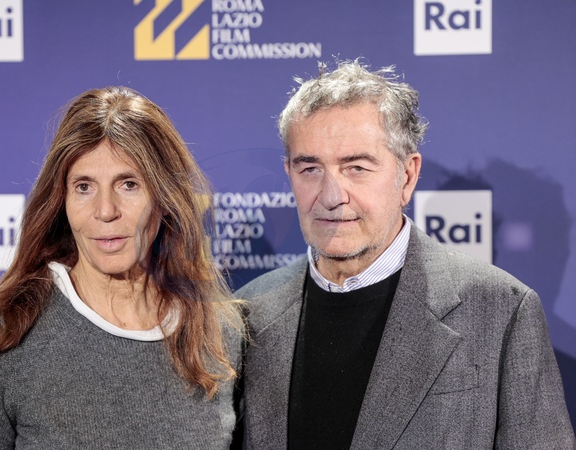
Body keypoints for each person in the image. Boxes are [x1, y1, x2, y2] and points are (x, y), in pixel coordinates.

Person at [235, 60, 576, 449]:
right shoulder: (247, 315)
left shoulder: (500, 311)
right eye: (310, 169)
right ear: (289, 174)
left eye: (356, 168)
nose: (331, 196)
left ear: (407, 176)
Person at [0, 86, 245, 449]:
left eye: (128, 184)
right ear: (61, 200)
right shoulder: (8, 336)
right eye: (84, 187)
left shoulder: (219, 334)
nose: (105, 210)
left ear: (165, 198)